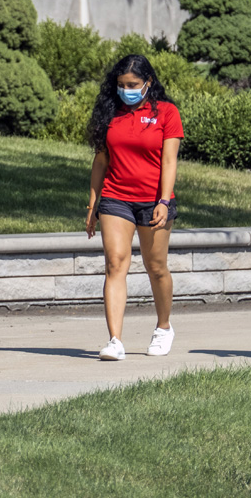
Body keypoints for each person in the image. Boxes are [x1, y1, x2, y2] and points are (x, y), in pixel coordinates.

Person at [85, 54, 183, 361]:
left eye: (132, 84)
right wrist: (93, 203)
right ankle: (115, 340)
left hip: (153, 201)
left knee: (156, 267)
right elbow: (100, 161)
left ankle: (164, 327)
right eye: (121, 84)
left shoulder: (166, 112)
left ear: (148, 82)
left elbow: (169, 161)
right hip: (116, 197)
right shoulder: (110, 113)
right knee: (115, 264)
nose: (126, 90)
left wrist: (164, 200)